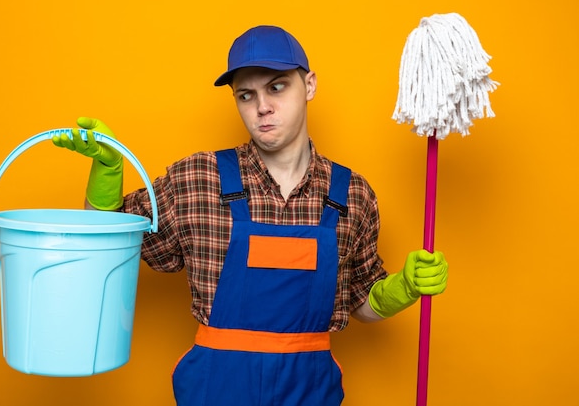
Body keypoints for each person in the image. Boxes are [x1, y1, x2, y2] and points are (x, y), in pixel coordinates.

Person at [53, 25, 448, 406]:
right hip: (215, 391)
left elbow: (361, 302)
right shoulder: (197, 179)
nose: (262, 107)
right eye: (246, 95)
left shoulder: (352, 195)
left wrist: (404, 289)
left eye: (277, 87)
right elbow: (107, 241)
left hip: (309, 393)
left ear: (308, 85)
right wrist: (107, 176)